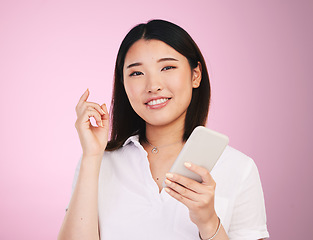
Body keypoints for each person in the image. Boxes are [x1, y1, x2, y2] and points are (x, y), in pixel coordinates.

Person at [58, 19, 269, 240]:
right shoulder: (98, 161)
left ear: (195, 75)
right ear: (123, 83)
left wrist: (208, 222)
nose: (153, 85)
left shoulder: (238, 167)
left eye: (167, 67)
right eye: (136, 73)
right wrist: (92, 156)